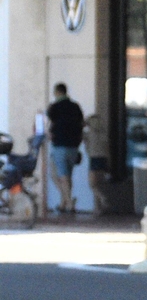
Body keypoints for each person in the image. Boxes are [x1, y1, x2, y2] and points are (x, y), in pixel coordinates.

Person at [44, 84, 85, 218]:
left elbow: (49, 122)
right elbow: (81, 123)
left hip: (59, 144)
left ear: (56, 92)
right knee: (67, 175)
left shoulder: (54, 107)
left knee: (59, 175)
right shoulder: (75, 106)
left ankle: (68, 203)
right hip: (74, 146)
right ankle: (64, 202)